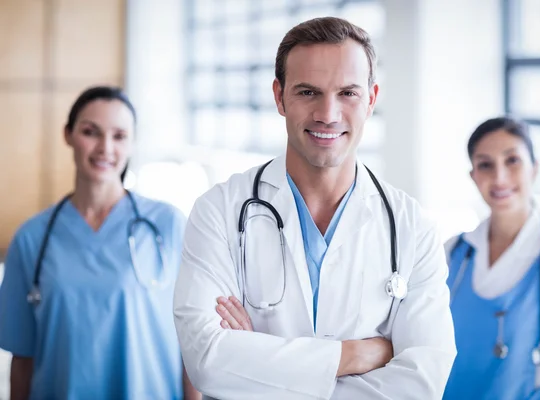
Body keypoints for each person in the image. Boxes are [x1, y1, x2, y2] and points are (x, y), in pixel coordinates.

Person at [173, 17, 456, 400]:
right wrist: (355, 354)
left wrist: (257, 364)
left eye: (348, 93)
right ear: (279, 97)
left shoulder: (413, 228)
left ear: (371, 99)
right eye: (308, 92)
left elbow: (421, 384)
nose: (328, 113)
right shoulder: (219, 212)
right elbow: (207, 360)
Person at [0, 86, 201, 399]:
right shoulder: (32, 238)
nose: (105, 148)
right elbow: (22, 358)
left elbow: (192, 340)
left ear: (132, 143)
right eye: (90, 132)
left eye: (119, 135)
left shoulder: (168, 226)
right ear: (68, 135)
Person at [443, 117, 540, 400]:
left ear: (534, 168)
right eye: (485, 164)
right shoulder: (452, 252)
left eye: (512, 160)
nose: (499, 177)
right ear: (473, 176)